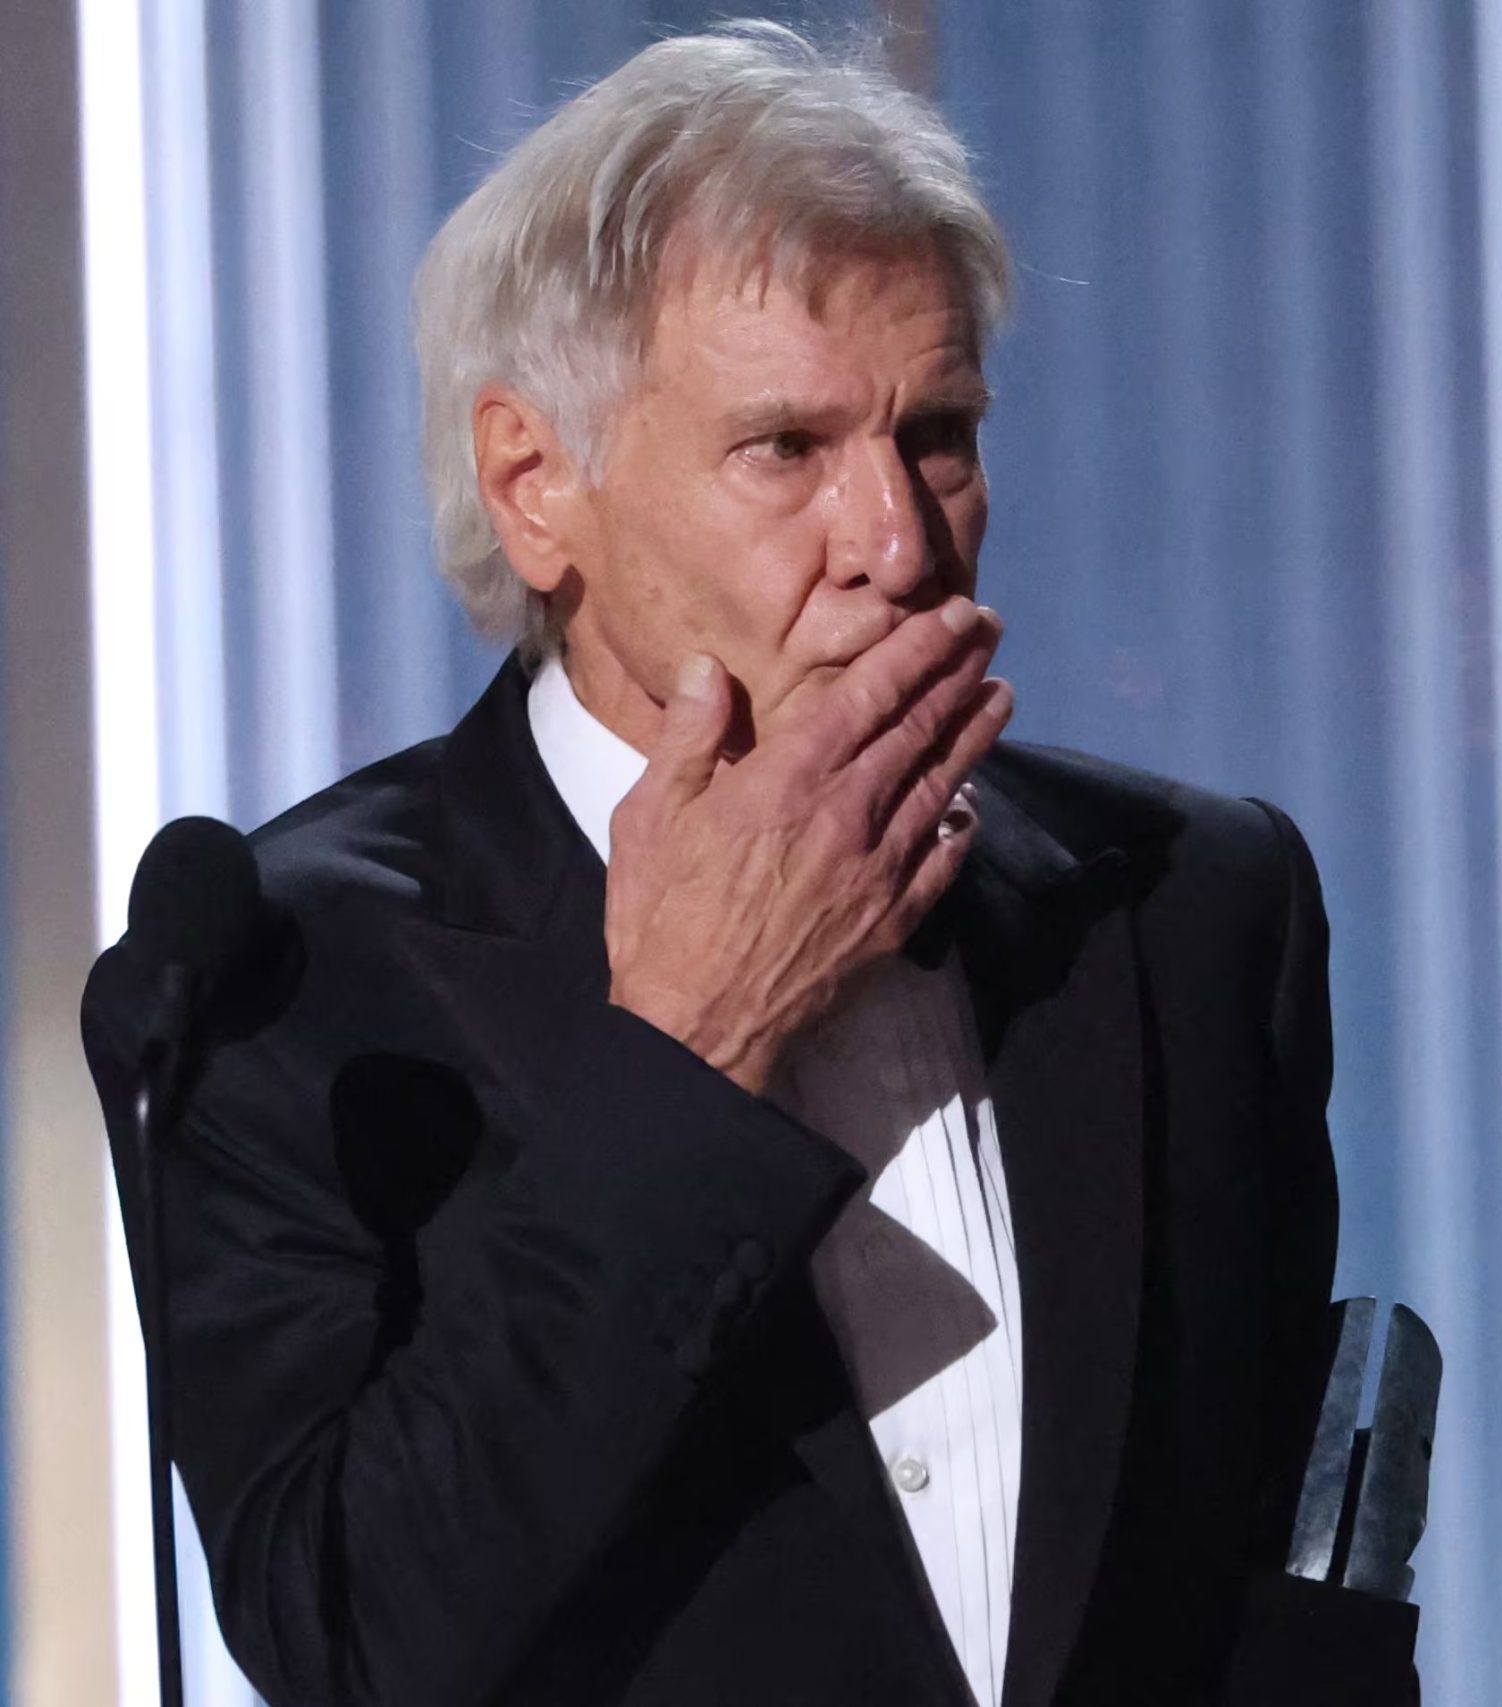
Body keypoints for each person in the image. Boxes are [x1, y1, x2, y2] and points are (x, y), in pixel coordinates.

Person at [80, 23, 1405, 1706]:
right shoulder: (275, 985)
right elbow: (363, 1653)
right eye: (786, 449)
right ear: (535, 484)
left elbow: (1255, 1607)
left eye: (937, 433)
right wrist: (693, 1049)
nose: (900, 542)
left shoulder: (1193, 905)